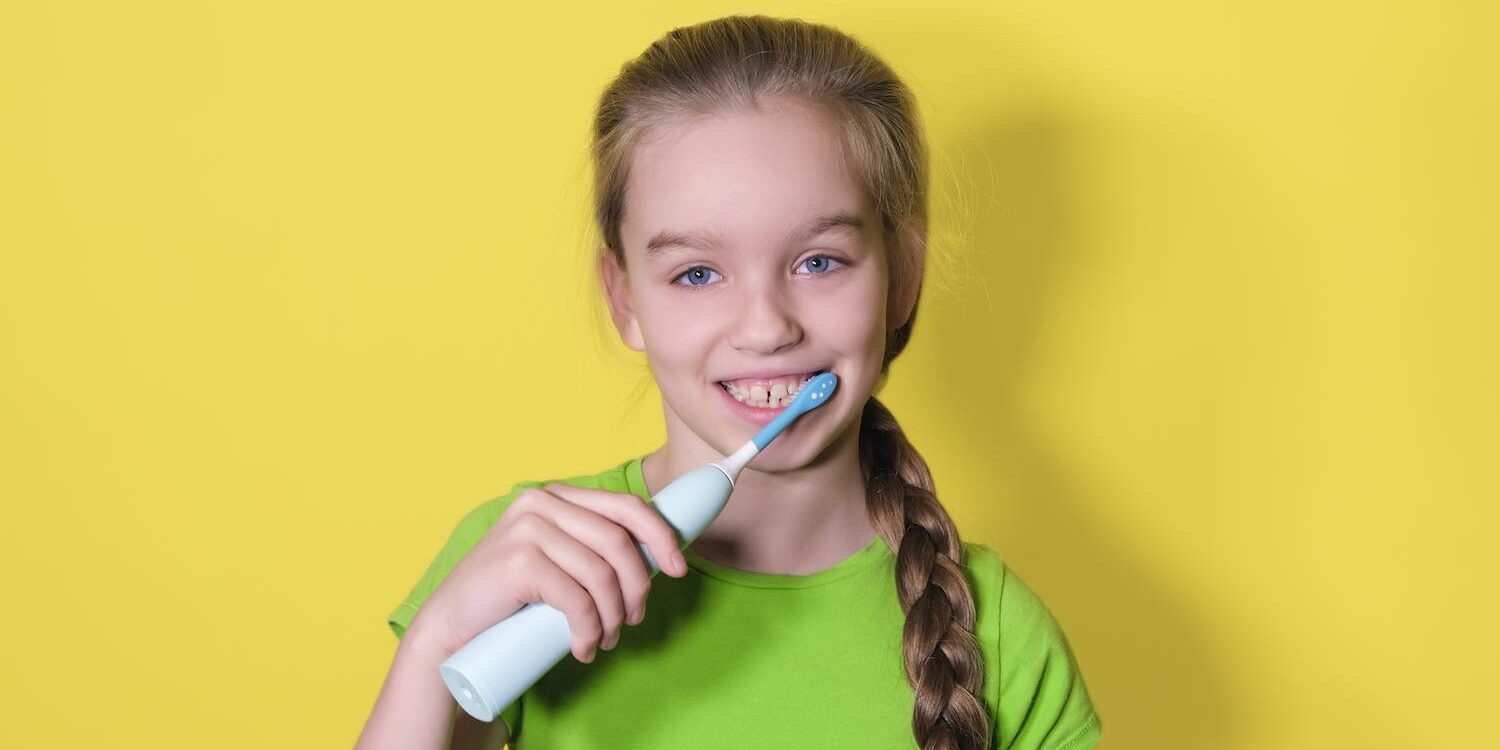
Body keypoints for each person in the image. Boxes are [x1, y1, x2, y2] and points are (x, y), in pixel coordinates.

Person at [356, 14, 1102, 750]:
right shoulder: (527, 567)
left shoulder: (1000, 634)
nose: (765, 327)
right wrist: (434, 649)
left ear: (902, 276)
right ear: (625, 299)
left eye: (818, 261)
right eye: (698, 273)